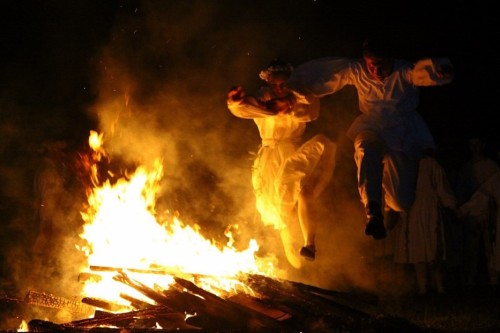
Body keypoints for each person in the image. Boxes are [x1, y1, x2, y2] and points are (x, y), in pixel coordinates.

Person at [287, 37, 454, 240]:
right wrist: (296, 88)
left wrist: (438, 71)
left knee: (402, 201)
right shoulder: (357, 70)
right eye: (370, 65)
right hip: (371, 126)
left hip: (401, 133)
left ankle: (390, 205)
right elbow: (328, 73)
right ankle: (373, 210)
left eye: (379, 65)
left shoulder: (404, 72)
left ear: (389, 60)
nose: (374, 71)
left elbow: (423, 72)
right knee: (365, 148)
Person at [227, 60, 337, 268]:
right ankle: (295, 262)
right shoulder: (263, 97)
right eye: (274, 85)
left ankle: (310, 244)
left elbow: (310, 112)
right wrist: (236, 103)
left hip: (293, 152)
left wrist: (287, 106)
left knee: (304, 190)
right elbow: (245, 108)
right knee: (283, 210)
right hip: (269, 159)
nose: (279, 89)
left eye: (283, 84)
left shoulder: (302, 96)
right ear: (268, 83)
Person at [392, 149, 458, 294]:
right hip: (412, 211)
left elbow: (442, 186)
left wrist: (450, 206)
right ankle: (423, 288)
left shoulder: (430, 164)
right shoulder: (403, 164)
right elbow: (396, 187)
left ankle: (439, 286)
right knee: (418, 250)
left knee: (434, 249)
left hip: (430, 212)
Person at [455, 136, 500, 288]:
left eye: (477, 144)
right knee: (471, 249)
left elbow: (490, 191)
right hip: (472, 215)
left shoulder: (492, 167)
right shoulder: (466, 169)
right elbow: (462, 192)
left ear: (483, 145)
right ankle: (469, 280)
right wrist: (464, 209)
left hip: (490, 214)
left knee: (491, 248)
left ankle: (493, 279)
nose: (474, 147)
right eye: (471, 144)